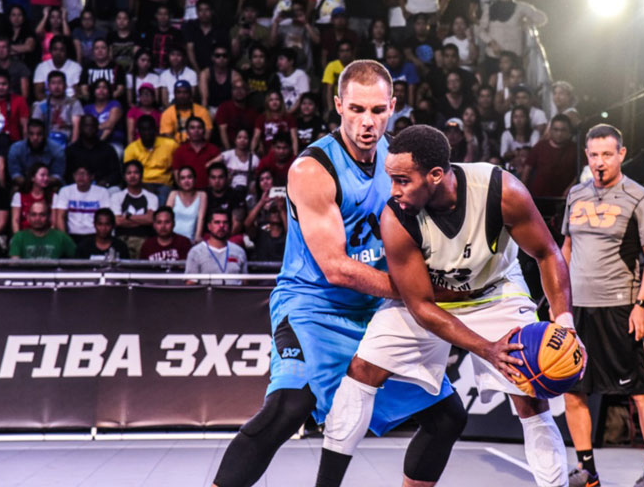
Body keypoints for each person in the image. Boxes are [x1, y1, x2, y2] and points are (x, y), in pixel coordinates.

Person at [210, 60, 452, 487]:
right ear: (338, 105)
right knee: (288, 408)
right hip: (313, 304)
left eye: (377, 110)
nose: (367, 122)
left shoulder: (400, 163)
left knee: (447, 417)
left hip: (375, 309)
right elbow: (336, 268)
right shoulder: (312, 169)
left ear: (393, 106)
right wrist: (418, 293)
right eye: (356, 109)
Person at [317, 123, 580, 487]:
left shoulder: (501, 191)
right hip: (433, 299)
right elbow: (421, 306)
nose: (393, 191)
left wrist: (564, 322)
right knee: (362, 369)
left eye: (402, 180)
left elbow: (548, 254)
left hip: (494, 292)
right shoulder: (396, 217)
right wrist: (486, 348)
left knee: (530, 397)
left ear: (436, 175)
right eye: (390, 179)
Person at [562, 124, 644, 487]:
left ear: (621, 154)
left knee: (640, 389)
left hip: (620, 307)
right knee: (573, 389)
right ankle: (586, 469)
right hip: (578, 308)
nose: (599, 162)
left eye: (607, 154)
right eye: (593, 155)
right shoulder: (575, 195)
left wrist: (642, 305)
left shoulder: (640, 197)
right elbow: (566, 249)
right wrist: (560, 302)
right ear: (586, 156)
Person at [124, 115, 178, 205]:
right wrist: (144, 186)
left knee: (161, 201)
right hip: (141, 184)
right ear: (138, 131)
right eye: (144, 130)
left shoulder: (171, 145)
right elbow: (129, 174)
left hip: (164, 184)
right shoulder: (131, 149)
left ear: (156, 130)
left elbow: (179, 166)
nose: (147, 132)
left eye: (150, 129)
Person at [185, 208, 247, 285]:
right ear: (209, 226)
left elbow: (245, 283)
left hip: (235, 292)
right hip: (207, 292)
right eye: (217, 222)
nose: (221, 226)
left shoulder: (239, 251)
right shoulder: (196, 252)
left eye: (225, 222)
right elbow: (191, 284)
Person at [521, 114, 578, 198]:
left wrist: (571, 189)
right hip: (539, 197)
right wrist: (523, 193)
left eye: (563, 130)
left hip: (564, 199)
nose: (559, 133)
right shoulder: (540, 146)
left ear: (569, 132)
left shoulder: (576, 149)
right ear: (550, 131)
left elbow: (581, 172)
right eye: (556, 130)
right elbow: (526, 170)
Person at [112, 160, 159, 258]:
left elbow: (150, 220)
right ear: (124, 176)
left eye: (136, 172)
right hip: (122, 239)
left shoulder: (152, 197)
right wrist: (142, 219)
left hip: (144, 239)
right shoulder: (117, 197)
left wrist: (128, 217)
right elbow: (117, 221)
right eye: (129, 173)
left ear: (141, 175)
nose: (132, 176)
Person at [54, 164, 112, 242]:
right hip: (72, 235)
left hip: (95, 235)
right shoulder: (65, 191)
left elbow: (105, 217)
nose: (80, 177)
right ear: (74, 176)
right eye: (78, 174)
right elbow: (60, 217)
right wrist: (65, 239)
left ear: (92, 176)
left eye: (84, 173)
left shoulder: (102, 192)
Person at [65, 115, 121, 188]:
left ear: (97, 128)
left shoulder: (107, 149)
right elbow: (67, 174)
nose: (89, 128)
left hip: (103, 188)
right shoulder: (71, 150)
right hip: (77, 188)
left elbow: (116, 173)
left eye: (92, 125)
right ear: (80, 128)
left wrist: (106, 182)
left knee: (115, 189)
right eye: (86, 125)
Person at [31, 70, 84, 148]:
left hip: (68, 143)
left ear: (65, 86)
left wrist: (72, 148)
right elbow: (35, 128)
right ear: (48, 86)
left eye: (60, 83)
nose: (56, 87)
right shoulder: (41, 105)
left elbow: (76, 128)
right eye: (53, 83)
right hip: (46, 145)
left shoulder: (74, 103)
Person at [8, 119, 66, 190]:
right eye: (31, 134)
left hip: (48, 184)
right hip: (25, 184)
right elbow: (15, 175)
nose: (35, 138)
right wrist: (33, 184)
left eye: (39, 134)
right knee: (15, 188)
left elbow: (57, 176)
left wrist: (39, 183)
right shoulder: (16, 148)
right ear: (27, 134)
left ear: (45, 135)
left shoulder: (57, 149)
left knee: (56, 188)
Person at [10, 200, 76, 259]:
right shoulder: (19, 237)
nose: (37, 218)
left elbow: (77, 260)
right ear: (28, 217)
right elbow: (15, 263)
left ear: (49, 217)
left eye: (42, 215)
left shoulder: (61, 237)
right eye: (33, 215)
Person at [172, 116, 220, 189]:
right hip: (188, 191)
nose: (196, 130)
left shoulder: (213, 150)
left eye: (199, 127)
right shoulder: (180, 151)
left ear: (204, 130)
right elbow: (177, 176)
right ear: (187, 131)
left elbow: (219, 174)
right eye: (192, 128)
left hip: (209, 190)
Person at [183, 0, 230, 73]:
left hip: (215, 71)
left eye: (207, 10)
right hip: (193, 70)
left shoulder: (220, 29)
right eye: (200, 10)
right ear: (197, 12)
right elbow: (190, 49)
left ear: (212, 12)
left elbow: (222, 54)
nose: (204, 13)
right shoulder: (191, 26)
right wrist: (198, 72)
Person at [160, 80, 213, 144]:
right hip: (176, 147)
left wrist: (198, 146)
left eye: (185, 92)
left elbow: (207, 132)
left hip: (198, 145)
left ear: (190, 94)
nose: (182, 95)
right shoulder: (167, 113)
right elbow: (167, 136)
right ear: (174, 94)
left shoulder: (202, 111)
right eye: (178, 92)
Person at [215, 77, 260, 150]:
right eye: (235, 88)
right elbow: (223, 131)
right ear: (231, 92)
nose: (239, 91)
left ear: (247, 91)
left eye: (242, 88)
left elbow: (257, 133)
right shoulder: (224, 107)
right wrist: (229, 152)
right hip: (228, 147)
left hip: (247, 148)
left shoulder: (253, 111)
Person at [33, 35, 82, 100]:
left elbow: (78, 93)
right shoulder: (41, 67)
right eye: (55, 49)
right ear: (50, 50)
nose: (58, 53)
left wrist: (65, 104)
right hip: (48, 103)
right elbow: (38, 93)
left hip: (70, 103)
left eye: (62, 50)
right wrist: (52, 103)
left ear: (66, 52)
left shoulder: (76, 67)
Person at [167, 165, 207, 243]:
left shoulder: (202, 195)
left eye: (189, 177)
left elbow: (201, 218)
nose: (186, 181)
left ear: (195, 179)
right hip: (172, 240)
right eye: (183, 178)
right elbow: (166, 217)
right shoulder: (173, 194)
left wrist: (197, 237)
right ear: (179, 182)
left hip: (191, 241)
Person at [251, 90, 299, 156]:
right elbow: (256, 137)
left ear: (281, 101)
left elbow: (294, 138)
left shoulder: (289, 118)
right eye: (271, 100)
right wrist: (252, 153)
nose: (274, 102)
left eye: (277, 99)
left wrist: (295, 155)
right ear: (267, 102)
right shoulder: (262, 118)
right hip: (267, 155)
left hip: (286, 154)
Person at [199, 43, 242, 113]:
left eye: (224, 56)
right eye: (217, 56)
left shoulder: (235, 75)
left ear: (229, 58)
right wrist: (204, 116)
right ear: (212, 58)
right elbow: (204, 99)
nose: (221, 58)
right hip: (211, 108)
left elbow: (237, 99)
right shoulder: (205, 74)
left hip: (228, 109)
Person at [141, 5, 185, 73]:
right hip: (152, 69)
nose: (163, 17)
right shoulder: (150, 32)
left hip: (170, 70)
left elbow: (180, 53)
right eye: (160, 14)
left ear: (170, 16)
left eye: (165, 14)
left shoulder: (176, 33)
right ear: (156, 16)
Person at [11, 162, 53, 233]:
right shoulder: (19, 196)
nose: (46, 178)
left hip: (45, 235)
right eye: (42, 175)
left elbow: (53, 223)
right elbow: (15, 221)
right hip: (24, 235)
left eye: (47, 175)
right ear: (32, 178)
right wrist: (18, 237)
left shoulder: (53, 197)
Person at [322, 40, 355, 115]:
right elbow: (328, 89)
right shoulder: (332, 66)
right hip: (337, 104)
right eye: (342, 51)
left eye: (347, 50)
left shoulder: (357, 66)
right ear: (338, 53)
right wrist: (330, 110)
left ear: (352, 52)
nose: (345, 54)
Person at [275, 48, 309, 115]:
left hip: (297, 113)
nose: (278, 62)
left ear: (291, 61)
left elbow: (303, 96)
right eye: (278, 59)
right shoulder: (277, 76)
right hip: (279, 113)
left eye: (281, 59)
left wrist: (289, 112)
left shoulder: (300, 75)